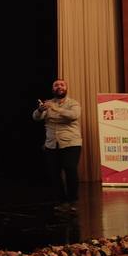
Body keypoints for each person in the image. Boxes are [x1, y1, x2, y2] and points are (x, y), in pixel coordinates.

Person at [32, 79, 82, 210]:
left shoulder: (73, 103)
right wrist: (40, 110)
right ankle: (61, 201)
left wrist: (56, 108)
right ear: (53, 89)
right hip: (52, 144)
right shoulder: (48, 103)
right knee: (54, 173)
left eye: (62, 85)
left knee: (70, 169)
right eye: (56, 85)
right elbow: (36, 118)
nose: (59, 87)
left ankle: (73, 201)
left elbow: (74, 115)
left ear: (66, 88)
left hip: (71, 143)